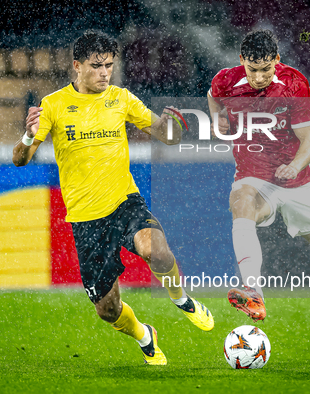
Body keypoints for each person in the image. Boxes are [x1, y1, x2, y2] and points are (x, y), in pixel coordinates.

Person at [13, 30, 214, 365]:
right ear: (77, 66)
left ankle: (182, 300)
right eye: (96, 66)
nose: (105, 72)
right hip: (86, 219)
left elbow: (167, 136)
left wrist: (175, 126)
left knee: (158, 251)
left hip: (125, 202)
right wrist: (28, 134)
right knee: (108, 310)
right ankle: (144, 334)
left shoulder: (122, 98)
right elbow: (20, 159)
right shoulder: (54, 105)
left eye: (109, 65)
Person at [207, 29, 310, 348]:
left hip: (296, 179)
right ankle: (253, 293)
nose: (260, 76)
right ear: (242, 62)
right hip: (255, 176)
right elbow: (212, 96)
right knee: (241, 200)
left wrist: (294, 165)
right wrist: (217, 118)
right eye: (253, 69)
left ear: (277, 61)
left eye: (267, 69)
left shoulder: (294, 83)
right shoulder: (225, 80)